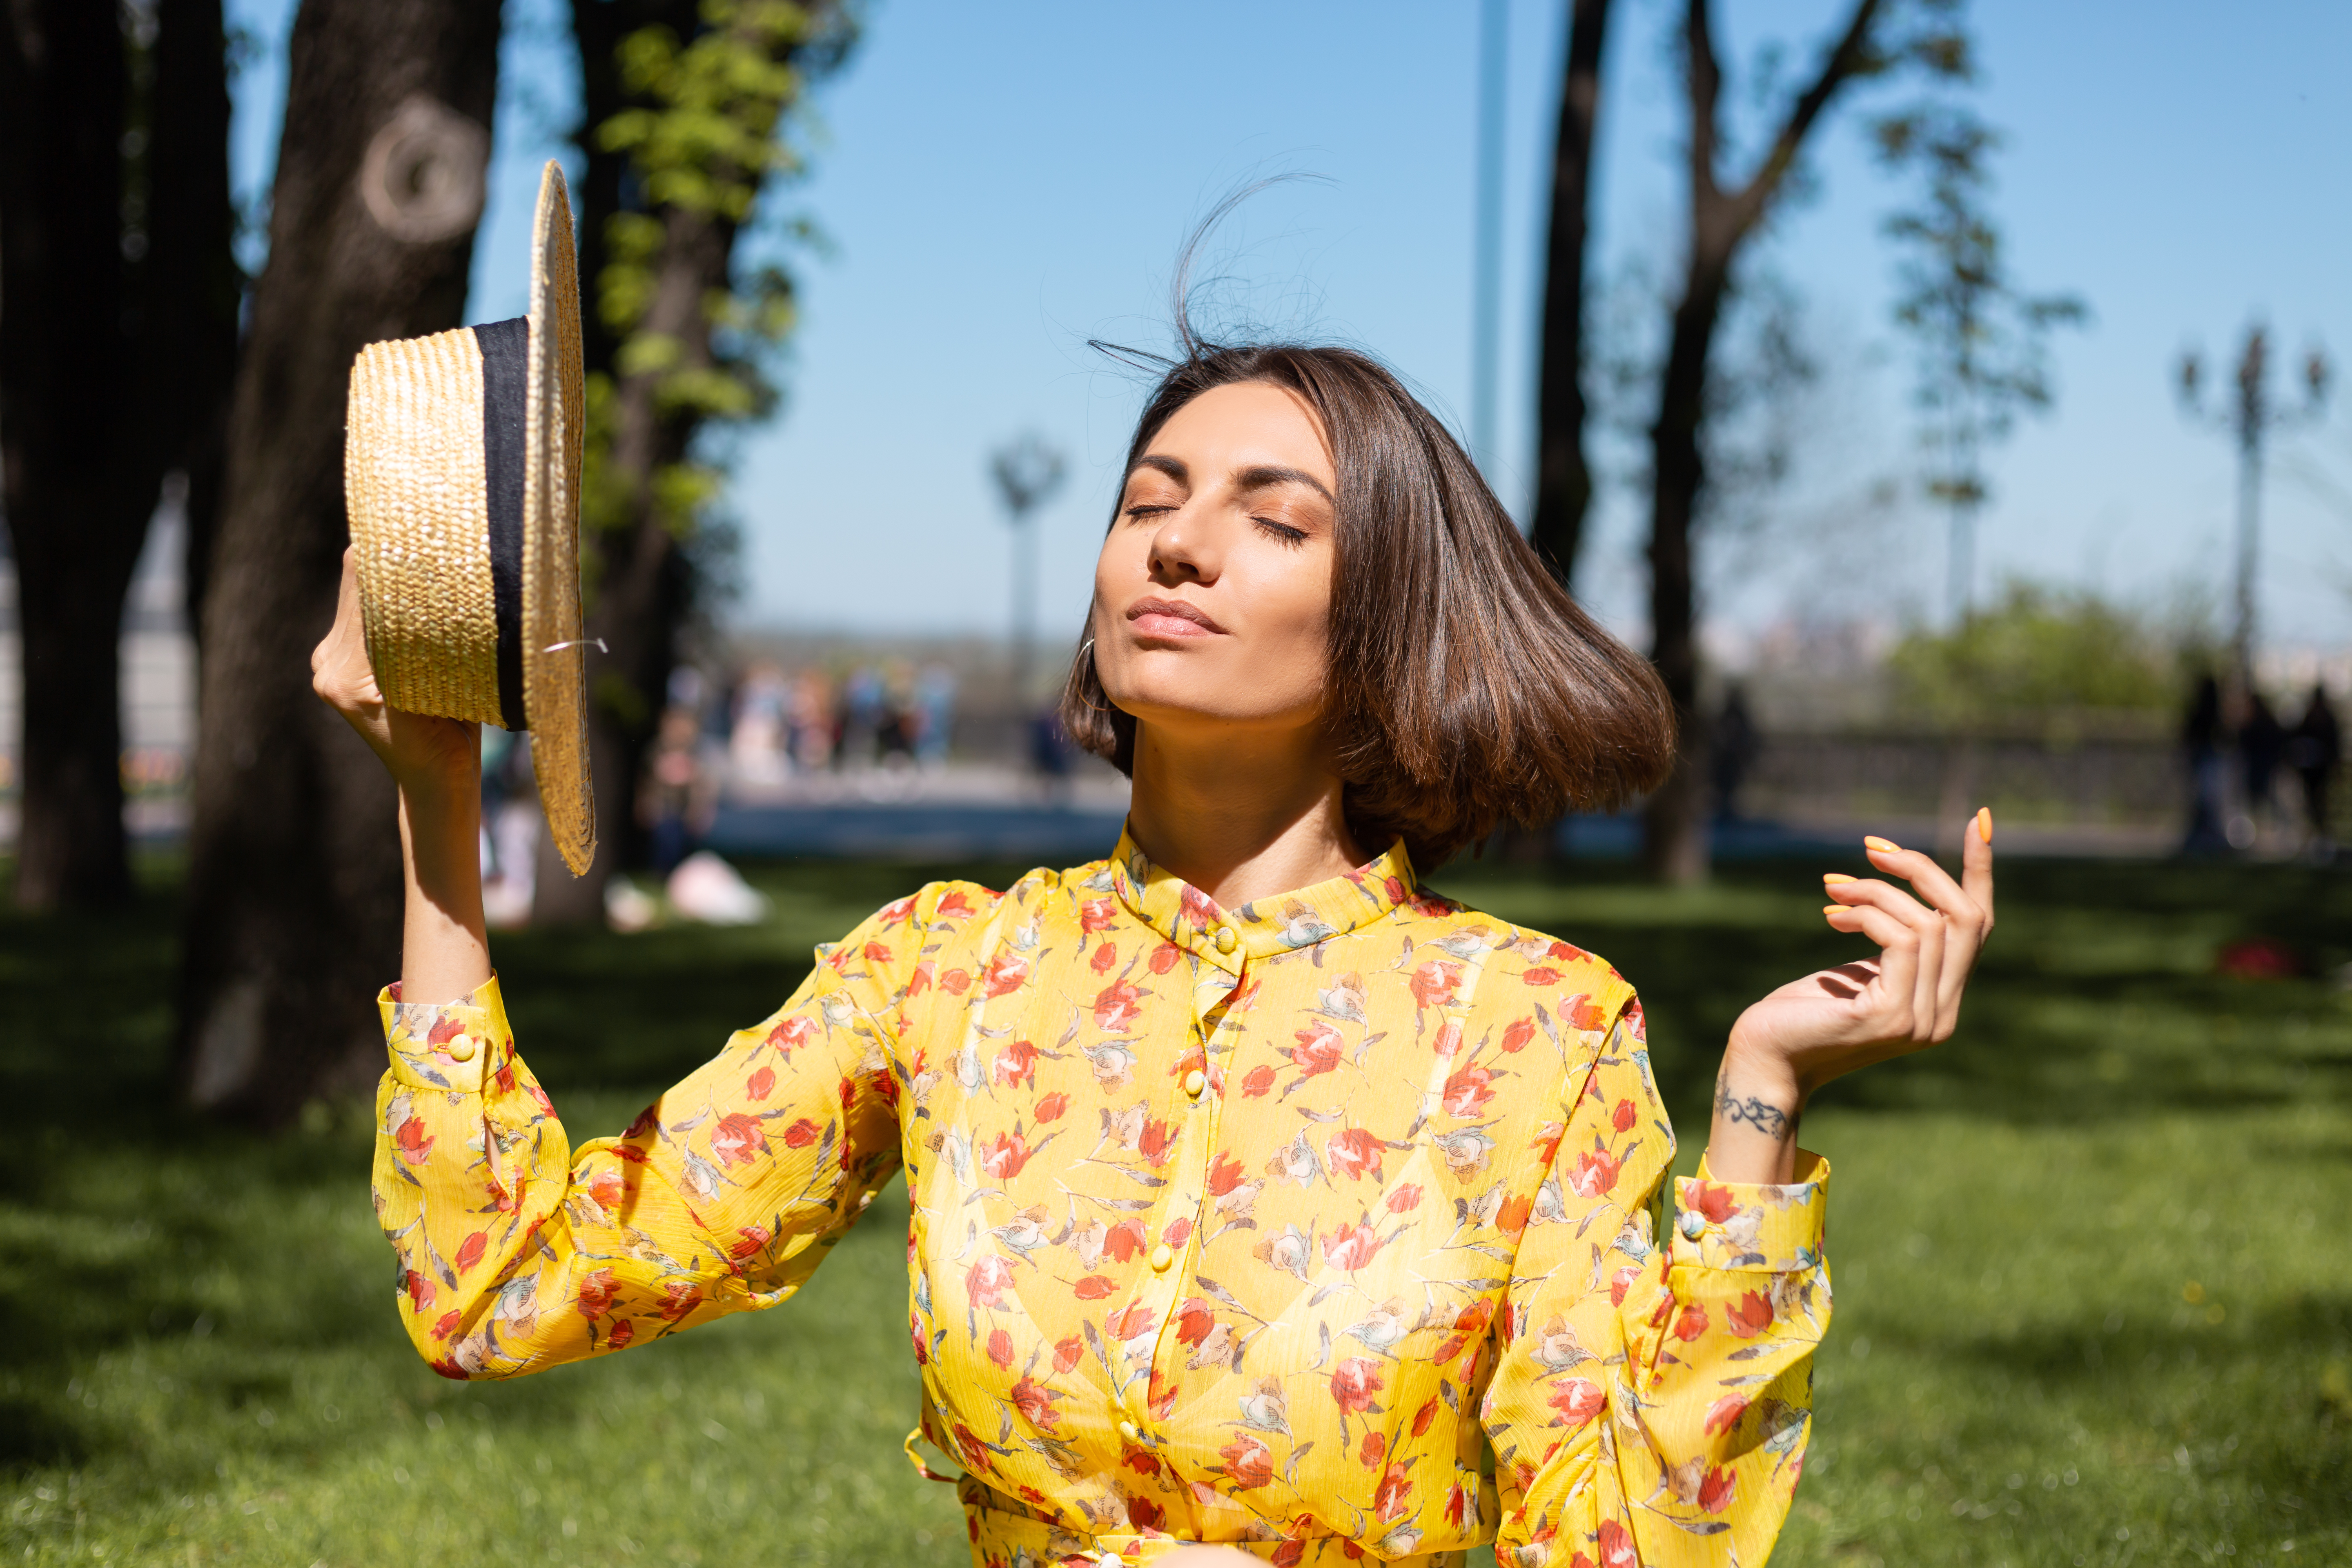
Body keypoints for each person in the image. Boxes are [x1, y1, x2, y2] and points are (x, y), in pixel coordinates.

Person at [315, 341, 1995, 1568]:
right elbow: (501, 1287)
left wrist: (1763, 1102)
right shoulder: (948, 974)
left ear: (1386, 623)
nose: (1176, 544)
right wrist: (439, 809)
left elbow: (1642, 1548)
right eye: (1147, 502)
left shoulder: (1533, 1033)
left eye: (1276, 517)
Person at [2287, 683, 2341, 856]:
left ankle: (2321, 838)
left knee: (2319, 804)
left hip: (2319, 769)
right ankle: (2317, 837)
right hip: (2313, 770)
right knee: (2313, 803)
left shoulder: (2319, 718)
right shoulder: (2317, 718)